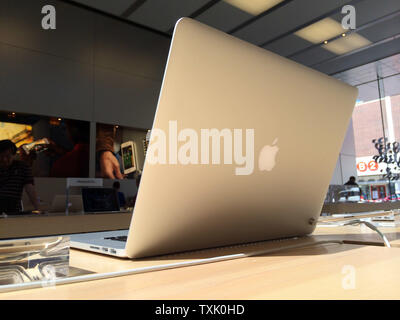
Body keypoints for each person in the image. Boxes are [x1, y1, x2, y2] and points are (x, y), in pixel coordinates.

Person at [0, 140, 39, 213]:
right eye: (1, 156)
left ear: (14, 155)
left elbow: (30, 189)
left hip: (13, 210)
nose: (4, 160)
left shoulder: (22, 167)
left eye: (8, 156)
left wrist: (37, 208)